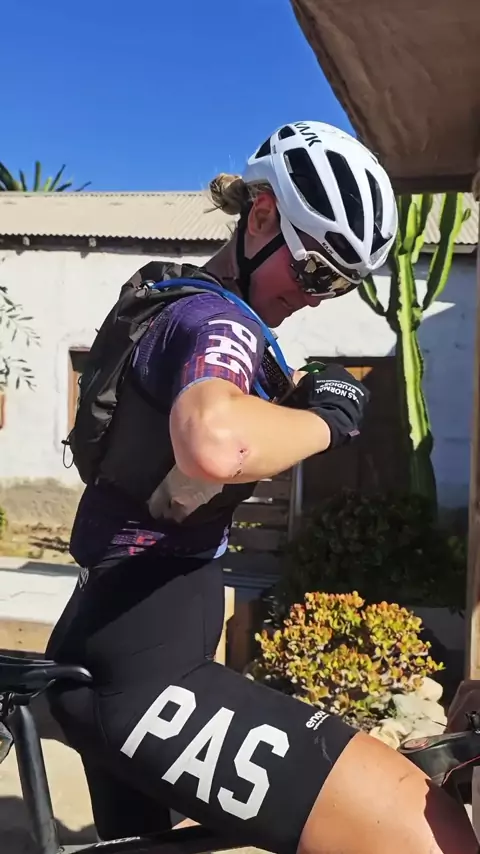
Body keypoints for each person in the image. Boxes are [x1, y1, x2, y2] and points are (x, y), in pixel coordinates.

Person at [46, 121, 477, 854]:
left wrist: (297, 394)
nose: (316, 297)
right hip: (146, 674)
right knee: (425, 831)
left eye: (339, 285)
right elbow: (215, 441)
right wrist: (329, 422)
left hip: (123, 641)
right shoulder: (218, 320)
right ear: (263, 215)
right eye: (314, 272)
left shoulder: (181, 306)